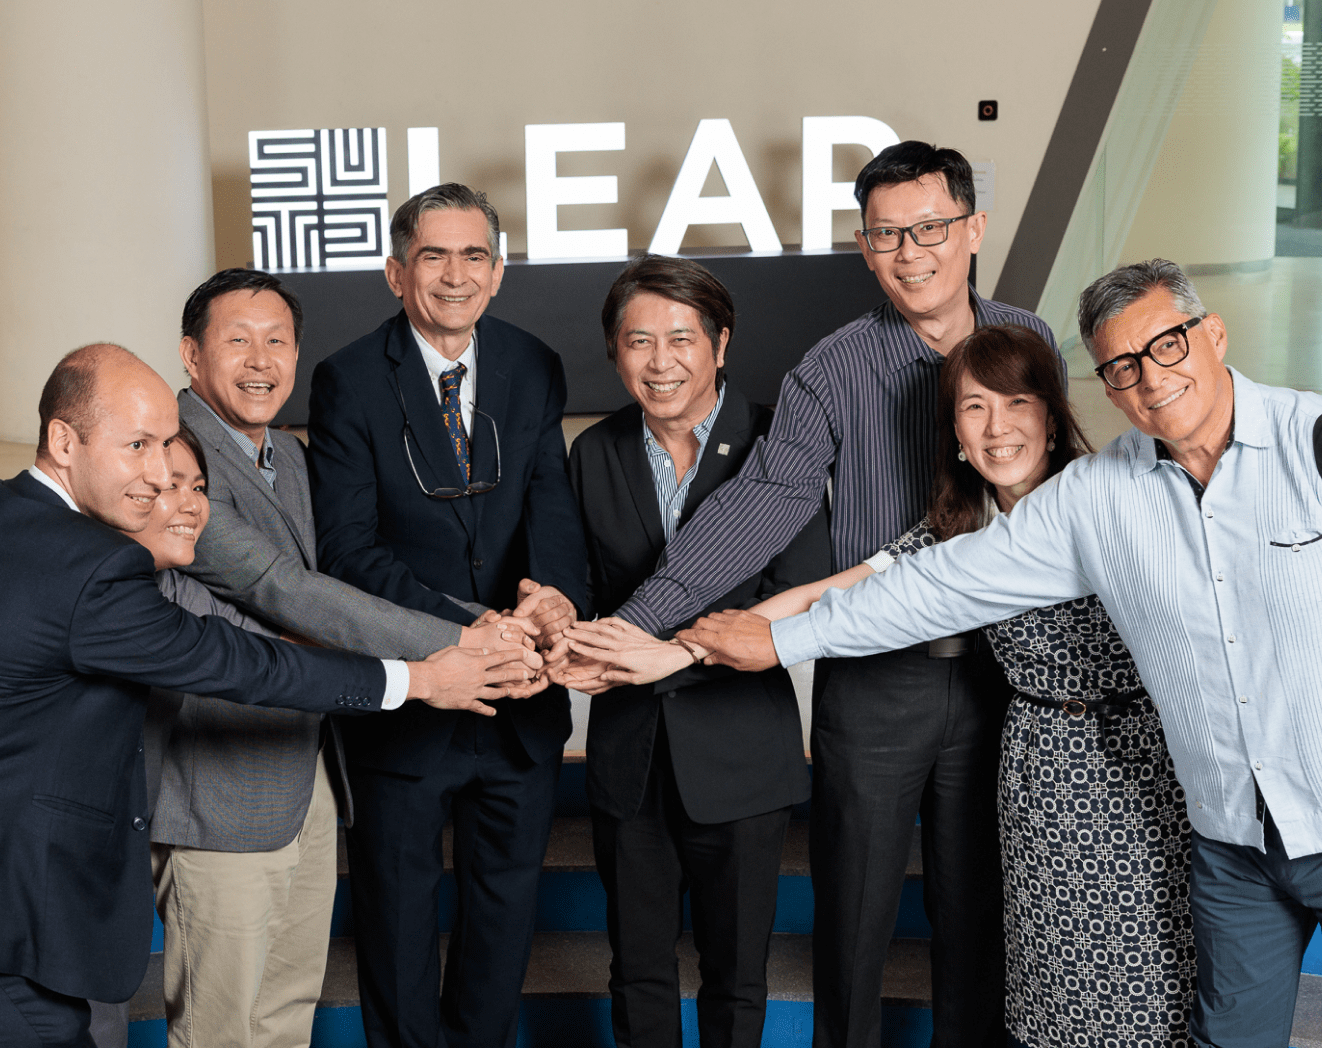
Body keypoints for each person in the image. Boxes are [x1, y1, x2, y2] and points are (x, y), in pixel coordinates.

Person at [683, 260, 1322, 1048]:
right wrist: (783, 638)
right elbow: (937, 584)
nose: (1153, 376)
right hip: (1231, 837)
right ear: (1105, 386)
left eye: (1168, 344)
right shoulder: (1097, 497)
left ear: (1214, 334)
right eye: (1122, 365)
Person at [0, 343, 535, 1048]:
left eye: (164, 444)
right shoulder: (91, 566)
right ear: (62, 440)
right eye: (136, 446)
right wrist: (422, 677)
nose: (159, 473)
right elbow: (240, 663)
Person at [598, 141, 1058, 1048]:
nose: (911, 252)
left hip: (1011, 685)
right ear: (864, 245)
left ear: (974, 228)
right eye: (887, 235)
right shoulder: (831, 368)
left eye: (930, 227)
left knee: (983, 925)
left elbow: (1056, 499)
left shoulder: (1028, 341)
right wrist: (642, 624)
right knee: (854, 928)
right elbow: (764, 503)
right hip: (876, 681)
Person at [150, 268, 539, 1048]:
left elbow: (337, 587)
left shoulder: (286, 459)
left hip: (308, 776)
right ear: (191, 358)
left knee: (287, 1012)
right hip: (220, 790)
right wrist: (461, 642)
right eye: (237, 341)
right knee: (222, 1030)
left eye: (277, 341)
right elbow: (278, 587)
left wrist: (485, 620)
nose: (260, 360)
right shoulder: (172, 464)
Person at [307, 183, 591, 1048]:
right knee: (396, 926)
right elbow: (350, 550)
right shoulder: (349, 380)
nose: (455, 274)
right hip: (414, 702)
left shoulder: (534, 364)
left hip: (521, 701)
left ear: (499, 273)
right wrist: (466, 633)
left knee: (503, 922)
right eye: (434, 256)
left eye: (475, 256)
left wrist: (551, 597)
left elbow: (552, 504)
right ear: (397, 272)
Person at [554, 255, 829, 1048]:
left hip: (741, 755)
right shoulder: (595, 452)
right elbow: (588, 590)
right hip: (629, 755)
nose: (661, 360)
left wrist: (678, 648)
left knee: (735, 973)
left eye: (681, 338)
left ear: (721, 343)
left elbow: (802, 588)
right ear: (614, 353)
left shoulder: (779, 442)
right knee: (636, 968)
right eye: (639, 341)